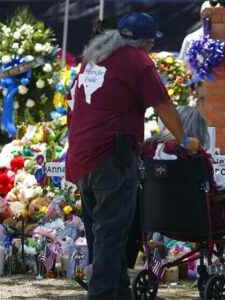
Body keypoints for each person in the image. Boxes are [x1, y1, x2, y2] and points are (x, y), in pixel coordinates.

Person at [66, 12, 200, 300]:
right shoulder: (136, 60)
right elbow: (163, 105)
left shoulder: (94, 56)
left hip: (82, 156)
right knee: (112, 234)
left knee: (101, 232)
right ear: (147, 41)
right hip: (111, 155)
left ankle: (118, 293)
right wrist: (184, 140)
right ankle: (101, 294)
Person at [140, 106, 225, 277]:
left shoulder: (150, 151)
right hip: (200, 222)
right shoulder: (196, 157)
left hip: (160, 220)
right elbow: (212, 196)